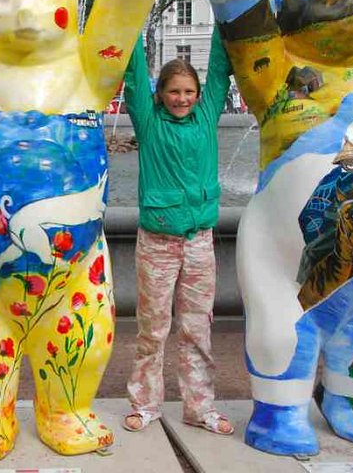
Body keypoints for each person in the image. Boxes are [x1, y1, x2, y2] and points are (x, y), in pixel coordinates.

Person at [121, 29, 234, 435]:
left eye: (188, 92)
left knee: (198, 328)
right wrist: (132, 17)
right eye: (174, 91)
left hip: (199, 242)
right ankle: (145, 404)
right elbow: (134, 75)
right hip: (157, 244)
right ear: (160, 94)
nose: (182, 98)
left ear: (199, 95)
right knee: (152, 329)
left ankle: (199, 407)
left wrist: (223, 14)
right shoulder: (149, 122)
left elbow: (219, 70)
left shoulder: (206, 117)